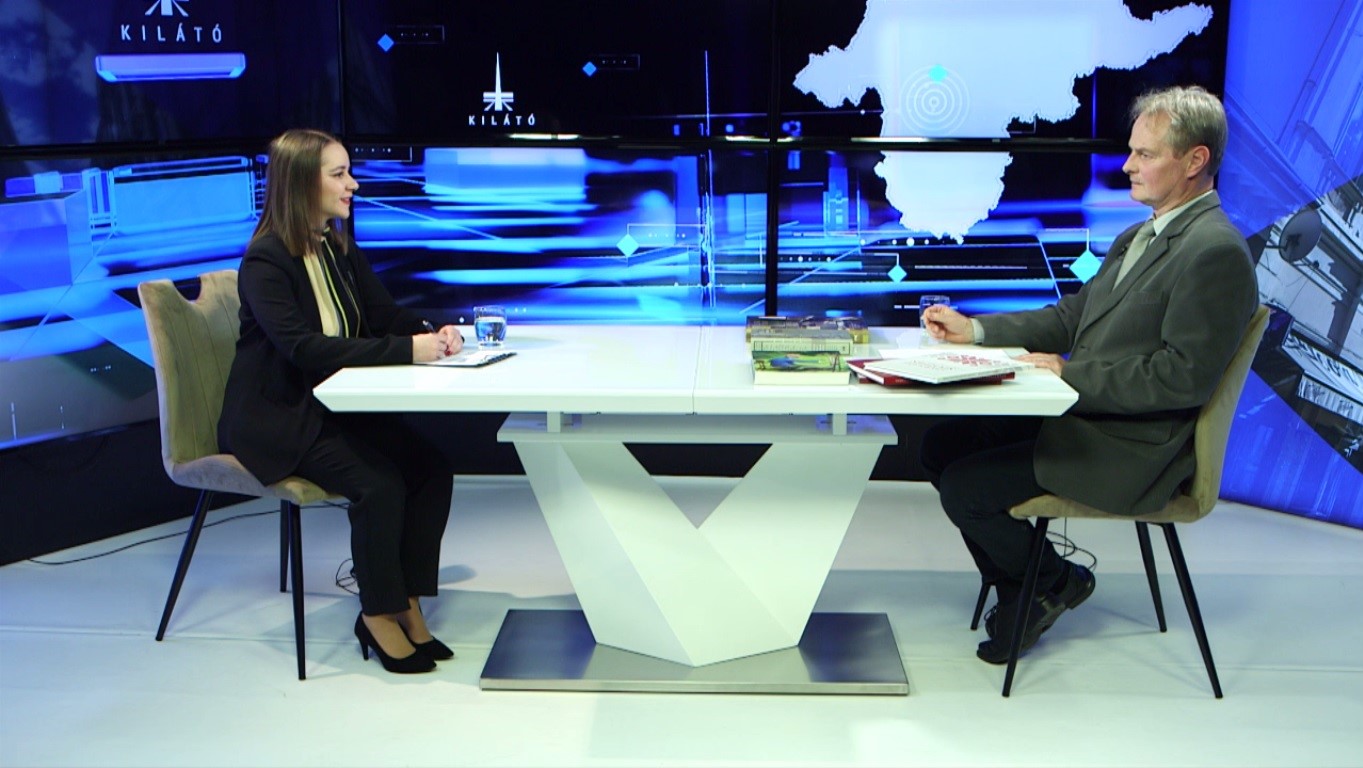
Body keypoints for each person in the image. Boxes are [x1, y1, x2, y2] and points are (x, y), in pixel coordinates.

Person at [918, 85, 1258, 664]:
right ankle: (1034, 583)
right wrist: (974, 330)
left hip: (1132, 447)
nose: (1127, 165)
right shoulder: (1142, 235)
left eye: (1145, 154)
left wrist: (1071, 375)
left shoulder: (1213, 252)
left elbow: (1181, 377)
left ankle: (1044, 584)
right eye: (1132, 151)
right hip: (1090, 418)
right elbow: (1071, 318)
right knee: (940, 447)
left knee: (965, 489)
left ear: (1195, 160)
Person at [218, 128, 463, 674]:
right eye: (339, 174)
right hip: (280, 418)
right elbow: (303, 349)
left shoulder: (336, 244)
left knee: (431, 469)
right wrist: (408, 351)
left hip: (333, 407)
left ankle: (407, 602)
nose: (353, 184)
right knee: (379, 484)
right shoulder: (265, 261)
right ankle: (376, 613)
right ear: (302, 183)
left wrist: (433, 332)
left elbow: (383, 315)